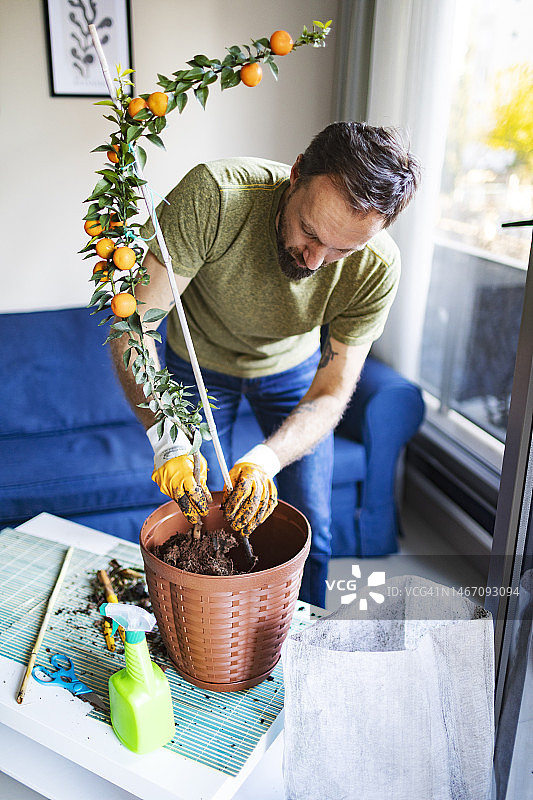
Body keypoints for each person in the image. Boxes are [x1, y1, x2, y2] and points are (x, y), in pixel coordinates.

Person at [110, 121, 421, 607]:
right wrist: (166, 436)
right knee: (200, 525)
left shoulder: (377, 267)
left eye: (343, 250)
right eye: (310, 232)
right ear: (295, 174)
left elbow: (333, 388)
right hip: (199, 361)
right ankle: (209, 640)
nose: (316, 261)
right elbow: (134, 326)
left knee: (312, 527)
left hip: (293, 372)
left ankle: (303, 648)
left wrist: (266, 460)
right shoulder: (214, 197)